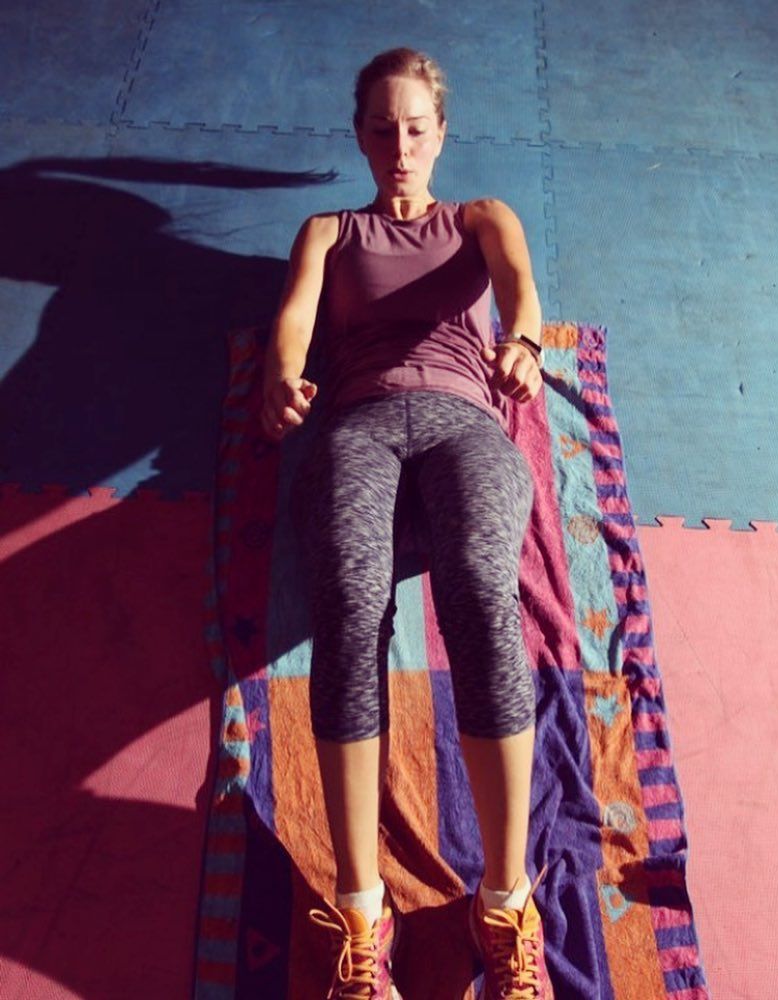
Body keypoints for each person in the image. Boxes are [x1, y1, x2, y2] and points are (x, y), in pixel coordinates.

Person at [260, 47, 554, 1000]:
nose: (399, 147)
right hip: (358, 423)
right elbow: (295, 318)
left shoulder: (480, 217)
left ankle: (503, 901)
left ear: (441, 135)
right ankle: (361, 910)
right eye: (382, 129)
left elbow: (520, 288)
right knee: (349, 605)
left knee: (480, 588)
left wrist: (522, 343)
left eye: (416, 129)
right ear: (359, 136)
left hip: (465, 421)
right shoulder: (328, 231)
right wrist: (281, 377)